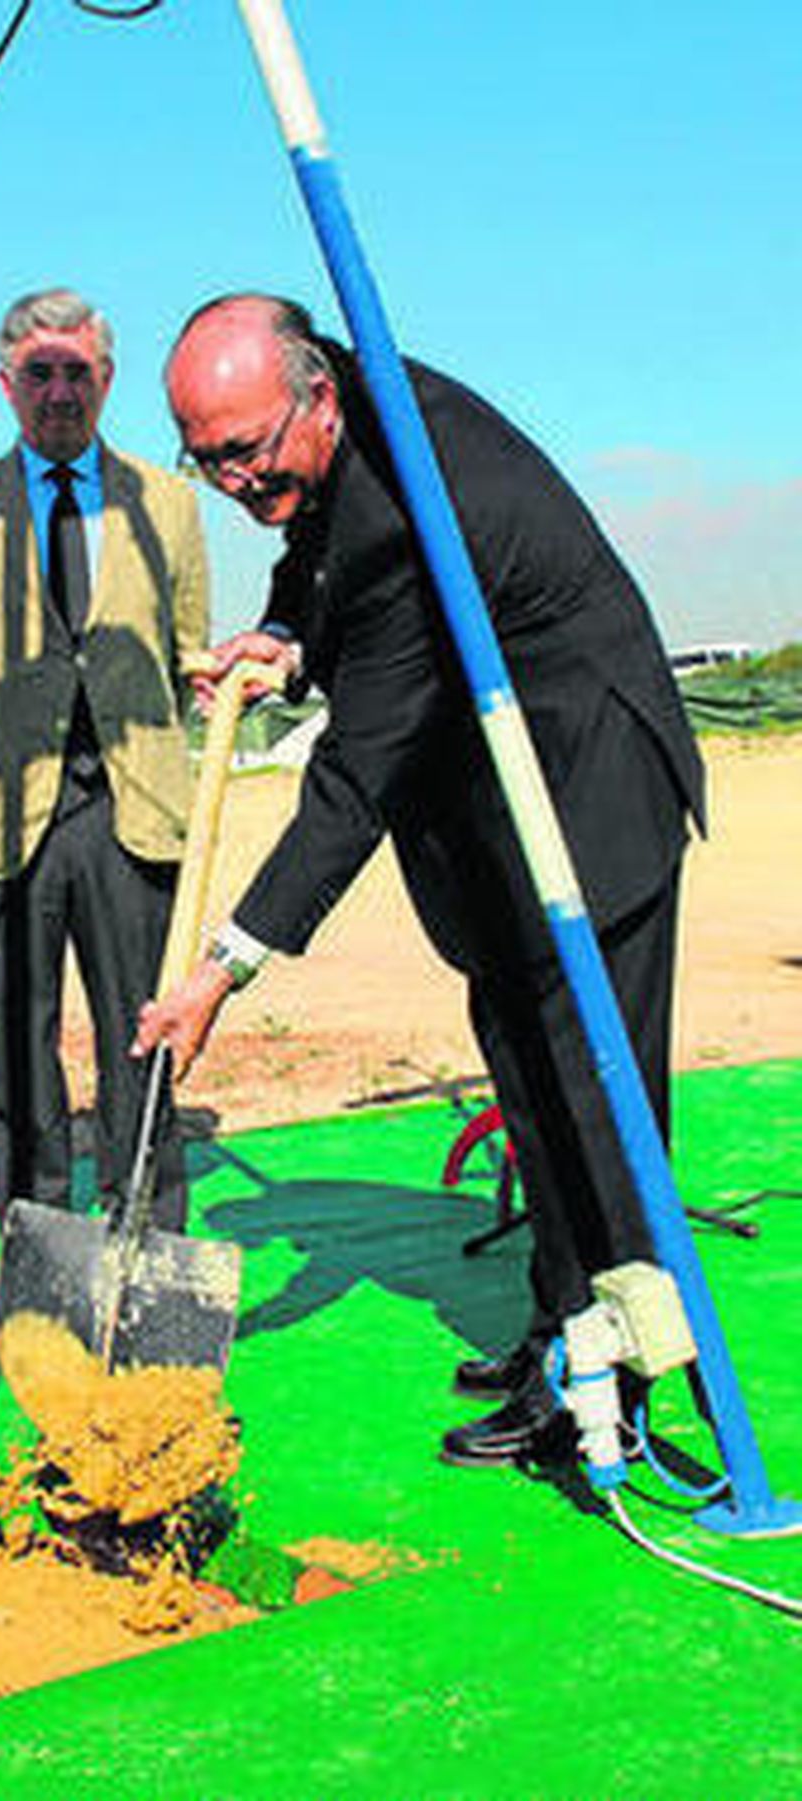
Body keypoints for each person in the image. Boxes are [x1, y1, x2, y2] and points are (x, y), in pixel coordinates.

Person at [142, 293, 705, 1467]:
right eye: (208, 462)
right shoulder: (344, 414)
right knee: (531, 1087)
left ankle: (614, 1388)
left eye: (245, 451)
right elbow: (315, 550)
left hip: (583, 797)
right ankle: (561, 1328)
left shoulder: (412, 504)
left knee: (593, 1109)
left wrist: (220, 969)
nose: (235, 482)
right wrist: (283, 635)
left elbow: (356, 777)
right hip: (497, 818)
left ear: (314, 396)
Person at [0, 287, 210, 1230]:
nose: (60, 390)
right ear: (7, 385)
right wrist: (14, 737)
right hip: (3, 818)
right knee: (17, 1054)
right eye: (39, 372)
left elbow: (186, 644)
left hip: (133, 813)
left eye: (78, 371)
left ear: (107, 379)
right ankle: (37, 1241)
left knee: (143, 1043)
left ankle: (144, 1236)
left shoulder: (169, 502)